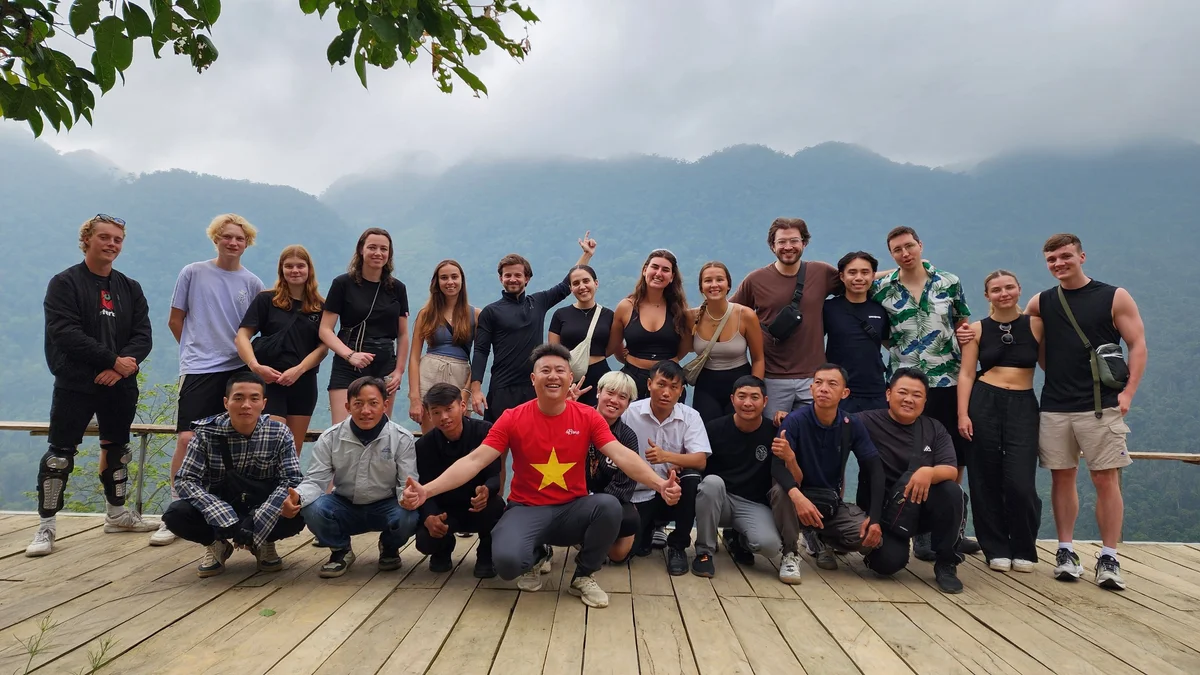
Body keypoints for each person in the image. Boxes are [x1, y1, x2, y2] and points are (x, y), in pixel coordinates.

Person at [401, 344, 682, 609]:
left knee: (609, 506)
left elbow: (621, 455)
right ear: (533, 378)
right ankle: (537, 554)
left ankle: (583, 574)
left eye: (560, 371)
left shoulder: (588, 417)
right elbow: (474, 461)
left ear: (570, 377)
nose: (553, 376)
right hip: (527, 509)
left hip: (573, 508)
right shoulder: (513, 417)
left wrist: (659, 484)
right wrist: (427, 491)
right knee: (508, 564)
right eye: (545, 371)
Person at [28, 214, 157, 557]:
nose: (112, 244)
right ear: (86, 240)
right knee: (59, 456)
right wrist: (111, 361)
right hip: (74, 382)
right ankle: (46, 527)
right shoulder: (64, 283)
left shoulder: (129, 287)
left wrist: (122, 367)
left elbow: (143, 335)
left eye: (117, 239)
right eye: (105, 237)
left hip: (119, 384)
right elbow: (65, 333)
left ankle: (116, 515)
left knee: (118, 450)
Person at [1023, 233, 1146, 590]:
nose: (1059, 264)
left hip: (1101, 405)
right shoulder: (1042, 301)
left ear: (1082, 256)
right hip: (1055, 405)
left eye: (1065, 257)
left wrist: (1128, 394)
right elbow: (1011, 323)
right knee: (1061, 478)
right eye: (1051, 260)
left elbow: (1137, 344)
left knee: (1104, 479)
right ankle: (1065, 550)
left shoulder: (1113, 296)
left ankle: (1109, 556)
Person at [871, 226, 979, 558]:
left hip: (946, 380)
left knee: (951, 458)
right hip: (904, 384)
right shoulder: (881, 288)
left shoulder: (949, 282)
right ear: (891, 255)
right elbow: (851, 281)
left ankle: (945, 531)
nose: (905, 253)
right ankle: (909, 526)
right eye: (897, 250)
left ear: (921, 245)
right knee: (904, 453)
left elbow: (965, 324)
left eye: (909, 247)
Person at [158, 214, 265, 547]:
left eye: (239, 238)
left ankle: (234, 509)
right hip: (200, 368)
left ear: (247, 243)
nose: (233, 243)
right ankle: (175, 508)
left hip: (237, 370)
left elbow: (256, 329)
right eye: (227, 237)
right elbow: (176, 320)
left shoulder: (253, 283)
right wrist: (195, 350)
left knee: (234, 442)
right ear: (215, 238)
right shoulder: (193, 272)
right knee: (188, 439)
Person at [162, 372, 305, 577]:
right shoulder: (206, 433)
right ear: (226, 402)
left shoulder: (279, 433)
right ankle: (217, 544)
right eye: (238, 398)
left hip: (262, 504)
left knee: (299, 510)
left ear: (263, 403)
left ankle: (264, 541)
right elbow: (185, 480)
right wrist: (227, 519)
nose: (246, 405)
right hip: (220, 505)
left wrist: (258, 520)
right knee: (176, 514)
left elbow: (291, 479)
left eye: (254, 398)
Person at [957, 270, 1044, 573]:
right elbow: (967, 373)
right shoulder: (977, 329)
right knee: (985, 478)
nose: (1003, 293)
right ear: (987, 296)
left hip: (1023, 404)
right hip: (984, 401)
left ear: (1020, 289)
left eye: (1009, 287)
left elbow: (1053, 360)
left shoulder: (1036, 324)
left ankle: (1024, 546)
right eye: (996, 289)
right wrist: (963, 413)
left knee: (1021, 482)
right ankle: (995, 547)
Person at [292, 376, 419, 578]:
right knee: (312, 508)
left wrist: (410, 497)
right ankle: (341, 550)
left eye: (373, 403)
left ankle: (389, 547)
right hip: (344, 504)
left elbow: (407, 483)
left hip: (386, 505)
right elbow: (315, 481)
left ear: (385, 405)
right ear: (348, 406)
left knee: (409, 516)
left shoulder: (401, 438)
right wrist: (297, 497)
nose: (365, 411)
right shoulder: (331, 437)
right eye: (358, 404)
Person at [857, 368, 965, 594]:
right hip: (885, 513)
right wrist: (789, 419)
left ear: (925, 400)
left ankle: (946, 562)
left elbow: (950, 470)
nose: (909, 399)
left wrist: (928, 472)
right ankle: (884, 551)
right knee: (887, 565)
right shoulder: (866, 421)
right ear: (888, 394)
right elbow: (830, 421)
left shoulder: (934, 428)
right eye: (902, 392)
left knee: (952, 492)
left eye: (917, 395)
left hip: (920, 508)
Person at [774, 365, 885, 580]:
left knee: (869, 540)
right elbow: (777, 467)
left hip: (828, 501)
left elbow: (875, 470)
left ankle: (821, 537)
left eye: (832, 384)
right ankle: (789, 553)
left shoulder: (850, 424)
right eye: (819, 382)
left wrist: (875, 518)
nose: (823, 388)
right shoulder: (794, 421)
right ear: (811, 388)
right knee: (781, 491)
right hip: (794, 497)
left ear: (845, 393)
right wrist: (798, 497)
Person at [470, 233, 596, 422]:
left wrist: (586, 256)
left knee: (532, 446)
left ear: (527, 278)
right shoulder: (491, 312)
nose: (513, 279)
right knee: (496, 447)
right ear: (500, 279)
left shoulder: (538, 302)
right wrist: (476, 389)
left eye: (518, 275)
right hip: (501, 388)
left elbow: (565, 286)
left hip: (534, 387)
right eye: (508, 275)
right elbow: (480, 351)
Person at [730, 218, 839, 418]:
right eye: (781, 242)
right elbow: (727, 313)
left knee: (810, 440)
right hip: (772, 378)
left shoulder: (821, 272)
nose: (788, 247)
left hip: (813, 378)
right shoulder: (756, 280)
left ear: (804, 243)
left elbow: (859, 279)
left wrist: (901, 273)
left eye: (794, 241)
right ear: (772, 246)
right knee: (774, 441)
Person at [693, 376, 796, 582]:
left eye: (754, 397)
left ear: (765, 401)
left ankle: (740, 539)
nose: (747, 403)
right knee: (712, 483)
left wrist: (790, 450)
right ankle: (704, 551)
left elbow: (789, 472)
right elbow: (697, 463)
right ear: (732, 399)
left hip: (752, 504)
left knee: (770, 547)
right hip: (719, 501)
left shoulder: (774, 433)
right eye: (742, 396)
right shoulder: (713, 428)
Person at [235, 245, 328, 454]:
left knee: (292, 450)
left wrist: (299, 369)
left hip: (303, 382)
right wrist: (255, 367)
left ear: (309, 269)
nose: (295, 270)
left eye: (300, 266)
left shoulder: (320, 306)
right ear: (281, 269)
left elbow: (323, 348)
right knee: (270, 443)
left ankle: (286, 488)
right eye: (289, 266)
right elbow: (242, 335)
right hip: (270, 380)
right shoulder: (266, 300)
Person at [621, 360, 709, 575]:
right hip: (640, 491)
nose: (666, 392)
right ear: (649, 384)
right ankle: (649, 527)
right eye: (661, 384)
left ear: (681, 391)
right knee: (628, 553)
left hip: (673, 490)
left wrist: (667, 457)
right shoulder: (629, 413)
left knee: (691, 478)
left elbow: (700, 460)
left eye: (674, 387)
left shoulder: (690, 416)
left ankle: (678, 546)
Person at [319, 228, 410, 424]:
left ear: (389, 253)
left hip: (385, 365)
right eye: (372, 247)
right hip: (348, 363)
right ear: (361, 249)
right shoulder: (343, 284)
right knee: (342, 431)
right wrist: (350, 355)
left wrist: (399, 371)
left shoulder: (398, 288)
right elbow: (325, 329)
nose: (378, 253)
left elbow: (402, 334)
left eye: (383, 249)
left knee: (380, 433)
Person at [413, 383, 504, 578]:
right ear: (428, 415)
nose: (444, 417)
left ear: (462, 406)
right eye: (436, 412)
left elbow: (495, 475)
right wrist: (430, 516)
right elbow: (424, 487)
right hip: (446, 511)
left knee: (496, 506)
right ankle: (443, 548)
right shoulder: (423, 446)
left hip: (477, 507)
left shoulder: (485, 432)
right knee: (424, 540)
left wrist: (487, 490)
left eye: (449, 409)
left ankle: (486, 554)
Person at [607, 249, 692, 401]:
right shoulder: (626, 307)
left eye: (665, 270)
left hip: (669, 382)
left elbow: (682, 350)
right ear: (645, 270)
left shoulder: (680, 311)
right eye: (655, 267)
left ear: (672, 277)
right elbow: (615, 345)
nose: (659, 273)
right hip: (632, 379)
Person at [407, 260, 480, 432]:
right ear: (437, 282)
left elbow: (479, 358)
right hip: (429, 374)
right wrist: (415, 397)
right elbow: (414, 358)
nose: (450, 282)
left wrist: (466, 392)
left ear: (462, 280)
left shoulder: (475, 315)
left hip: (460, 375)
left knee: (459, 437)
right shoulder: (426, 314)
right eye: (444, 278)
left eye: (454, 277)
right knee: (431, 438)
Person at [687, 262, 764, 422]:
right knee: (707, 435)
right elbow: (679, 351)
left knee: (738, 434)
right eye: (708, 281)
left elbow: (758, 358)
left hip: (740, 383)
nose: (714, 285)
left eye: (719, 280)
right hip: (706, 386)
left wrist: (756, 392)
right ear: (701, 287)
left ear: (728, 284)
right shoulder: (691, 317)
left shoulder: (745, 315)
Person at [583, 371, 642, 563]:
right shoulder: (577, 421)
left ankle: (594, 538)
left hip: (609, 499)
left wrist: (597, 504)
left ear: (628, 404)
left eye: (623, 397)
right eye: (610, 392)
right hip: (575, 496)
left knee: (618, 554)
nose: (614, 400)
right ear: (598, 392)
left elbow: (625, 483)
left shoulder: (627, 437)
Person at [824, 252, 890, 414]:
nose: (859, 278)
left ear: (873, 275)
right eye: (852, 272)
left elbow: (889, 343)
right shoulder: (828, 308)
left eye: (865, 272)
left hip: (875, 390)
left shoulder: (881, 309)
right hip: (839, 391)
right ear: (841, 276)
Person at [549, 264, 614, 407]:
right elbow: (553, 351)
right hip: (569, 378)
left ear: (596, 283)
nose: (582, 286)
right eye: (576, 283)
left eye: (586, 281)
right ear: (571, 288)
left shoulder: (609, 315)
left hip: (601, 376)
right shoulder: (560, 315)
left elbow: (614, 346)